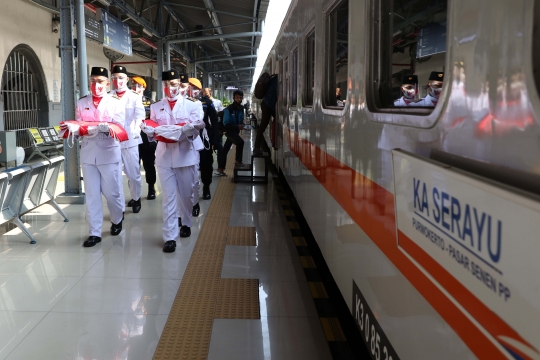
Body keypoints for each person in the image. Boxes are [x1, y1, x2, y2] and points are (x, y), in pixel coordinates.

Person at [142, 70, 204, 253]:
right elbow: (153, 129)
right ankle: (169, 236)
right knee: (169, 198)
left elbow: (196, 129)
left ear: (180, 85)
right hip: (164, 157)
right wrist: (149, 131)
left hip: (185, 156)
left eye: (174, 84)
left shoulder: (192, 105)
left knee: (186, 195)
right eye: (167, 84)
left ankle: (186, 222)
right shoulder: (156, 107)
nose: (170, 88)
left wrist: (187, 130)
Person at [76, 67, 125, 247]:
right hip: (88, 154)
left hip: (109, 153)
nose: (95, 85)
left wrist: (104, 128)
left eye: (99, 81)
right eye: (92, 81)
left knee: (112, 193)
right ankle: (94, 232)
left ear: (106, 83)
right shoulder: (82, 102)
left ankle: (117, 218)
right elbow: (79, 124)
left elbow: (119, 126)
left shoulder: (115, 102)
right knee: (92, 195)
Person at [109, 66, 145, 213]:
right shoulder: (108, 96)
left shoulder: (135, 97)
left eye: (121, 77)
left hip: (130, 141)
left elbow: (139, 117)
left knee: (133, 174)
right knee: (114, 175)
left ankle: (136, 198)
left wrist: (135, 132)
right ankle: (119, 207)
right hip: (112, 142)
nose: (118, 81)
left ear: (127, 79)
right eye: (115, 78)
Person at [133, 76, 157, 200]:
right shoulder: (126, 101)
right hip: (132, 139)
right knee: (132, 167)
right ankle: (135, 194)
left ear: (143, 87)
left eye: (138, 85)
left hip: (147, 138)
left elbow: (154, 120)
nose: (135, 88)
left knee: (149, 165)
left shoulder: (150, 102)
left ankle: (151, 188)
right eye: (133, 85)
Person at [215, 90, 245, 175]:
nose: (239, 99)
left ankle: (220, 169)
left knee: (225, 150)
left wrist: (243, 125)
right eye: (237, 97)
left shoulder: (241, 109)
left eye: (240, 97)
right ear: (233, 98)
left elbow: (241, 120)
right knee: (240, 142)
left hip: (235, 131)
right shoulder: (229, 109)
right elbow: (226, 123)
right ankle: (238, 161)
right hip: (229, 131)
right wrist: (237, 126)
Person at [196, 86, 218, 202]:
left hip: (204, 137)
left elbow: (214, 120)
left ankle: (206, 187)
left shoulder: (207, 103)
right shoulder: (183, 102)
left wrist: (215, 140)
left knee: (206, 163)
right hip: (189, 138)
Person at [254, 73, 278, 155]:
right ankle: (256, 148)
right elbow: (278, 94)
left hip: (267, 105)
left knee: (278, 122)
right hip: (268, 105)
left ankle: (275, 143)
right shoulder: (277, 79)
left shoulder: (274, 78)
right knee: (262, 127)